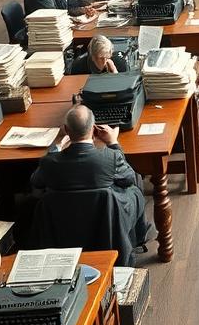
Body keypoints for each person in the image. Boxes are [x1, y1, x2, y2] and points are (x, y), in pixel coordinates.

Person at [30, 105, 150, 253]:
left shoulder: (49, 163)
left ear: (66, 130)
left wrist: (56, 149)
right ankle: (137, 238)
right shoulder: (110, 157)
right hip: (107, 220)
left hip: (63, 223)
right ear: (93, 129)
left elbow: (36, 181)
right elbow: (128, 178)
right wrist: (113, 143)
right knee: (135, 186)